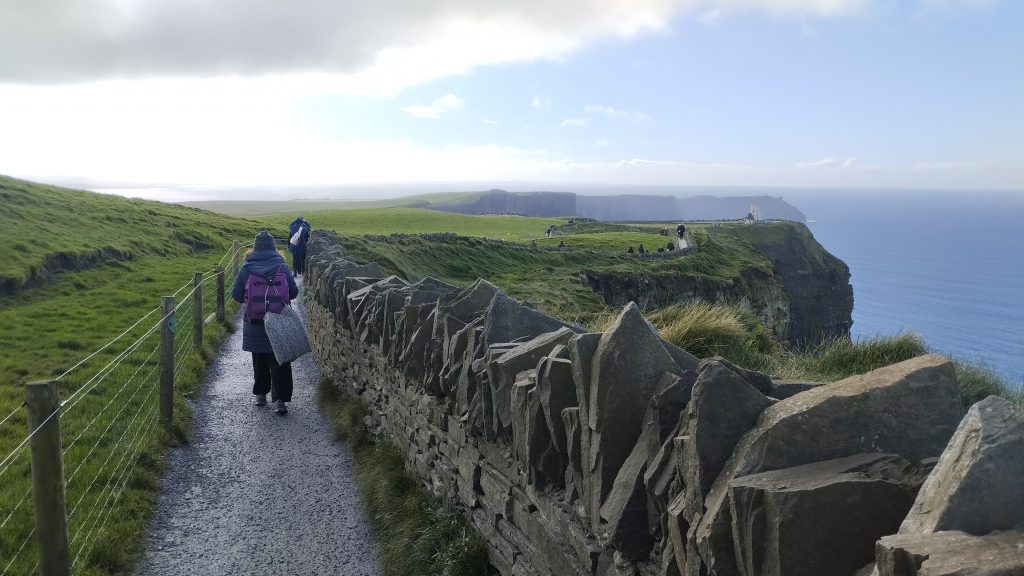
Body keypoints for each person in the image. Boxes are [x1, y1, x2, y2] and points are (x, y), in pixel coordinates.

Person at [232, 231, 300, 415]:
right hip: (279, 320)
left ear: (254, 248)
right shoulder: (281, 266)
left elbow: (236, 294)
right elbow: (294, 292)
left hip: (255, 321)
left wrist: (252, 301)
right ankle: (280, 401)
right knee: (280, 358)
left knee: (259, 357)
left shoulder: (247, 267)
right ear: (273, 248)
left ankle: (261, 394)